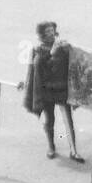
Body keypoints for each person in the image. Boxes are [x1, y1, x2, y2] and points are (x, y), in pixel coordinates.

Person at [23, 22, 83, 161]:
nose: (51, 33)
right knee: (50, 120)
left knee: (68, 120)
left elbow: (72, 63)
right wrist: (52, 52)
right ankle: (51, 146)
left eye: (52, 30)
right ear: (42, 34)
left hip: (62, 88)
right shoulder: (38, 50)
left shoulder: (61, 46)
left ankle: (73, 151)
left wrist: (69, 50)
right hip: (47, 91)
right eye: (48, 31)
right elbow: (40, 68)